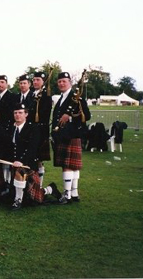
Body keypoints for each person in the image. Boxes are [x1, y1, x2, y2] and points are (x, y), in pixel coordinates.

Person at [2, 103, 63, 210]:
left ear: (26, 114)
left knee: (34, 198)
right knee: (25, 196)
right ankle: (49, 190)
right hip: (14, 164)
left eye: (20, 113)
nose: (17, 115)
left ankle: (18, 201)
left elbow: (32, 149)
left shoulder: (33, 128)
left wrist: (21, 161)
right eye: (15, 113)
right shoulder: (10, 128)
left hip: (28, 164)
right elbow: (8, 147)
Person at [51, 72, 91, 203]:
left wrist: (70, 116)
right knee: (71, 165)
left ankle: (67, 195)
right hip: (62, 134)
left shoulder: (77, 98)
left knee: (68, 165)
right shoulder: (62, 98)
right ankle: (74, 193)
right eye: (60, 81)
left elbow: (87, 115)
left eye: (64, 81)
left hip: (71, 134)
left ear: (70, 83)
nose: (61, 83)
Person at [29, 71, 52, 187]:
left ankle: (39, 186)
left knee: (39, 160)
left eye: (38, 80)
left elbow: (44, 113)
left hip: (41, 131)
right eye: (34, 80)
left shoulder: (46, 96)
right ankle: (32, 183)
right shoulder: (31, 94)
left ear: (43, 82)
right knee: (31, 158)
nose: (35, 82)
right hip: (30, 130)